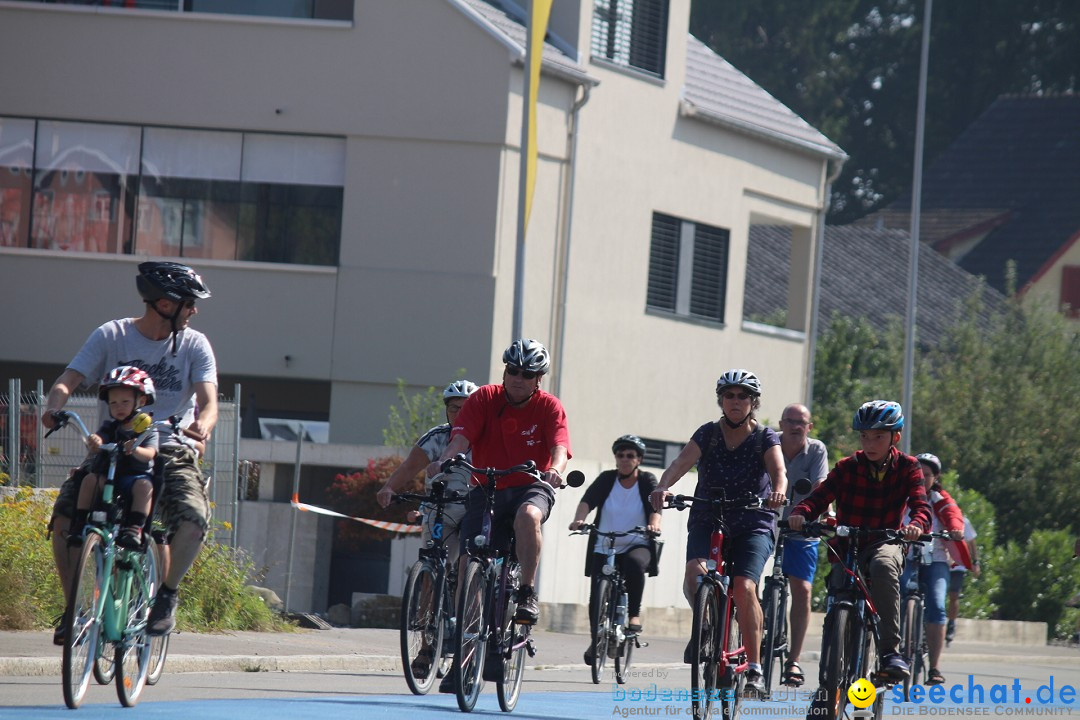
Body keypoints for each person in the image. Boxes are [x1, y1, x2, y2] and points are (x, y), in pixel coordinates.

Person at [44, 261, 216, 643]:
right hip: (112, 447)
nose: (195, 310)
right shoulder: (113, 335)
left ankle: (166, 597)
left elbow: (209, 401)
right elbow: (69, 379)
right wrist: (54, 406)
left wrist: (202, 424)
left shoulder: (195, 344)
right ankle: (75, 608)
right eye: (189, 303)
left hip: (167, 447)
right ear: (165, 305)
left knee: (192, 520)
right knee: (63, 520)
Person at [428, 339, 570, 693]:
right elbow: (461, 439)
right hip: (487, 485)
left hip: (531, 484)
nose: (518, 378)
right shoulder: (483, 399)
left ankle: (525, 592)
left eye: (527, 374)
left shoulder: (550, 407)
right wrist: (447, 458)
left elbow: (559, 447)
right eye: (513, 371)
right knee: (468, 564)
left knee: (527, 516)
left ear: (539, 379)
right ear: (504, 372)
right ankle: (465, 654)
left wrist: (555, 468)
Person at [650, 369, 787, 698]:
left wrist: (779, 492)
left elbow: (779, 471)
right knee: (694, 575)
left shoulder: (765, 437)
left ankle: (754, 669)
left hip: (753, 519)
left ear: (753, 402)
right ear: (721, 401)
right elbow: (682, 462)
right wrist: (663, 486)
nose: (735, 401)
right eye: (729, 395)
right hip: (708, 514)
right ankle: (708, 623)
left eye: (742, 396)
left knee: (743, 586)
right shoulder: (708, 434)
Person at [788, 400, 931, 681]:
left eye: (878, 436)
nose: (870, 442)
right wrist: (800, 513)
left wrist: (916, 525)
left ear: (895, 437)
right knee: (837, 604)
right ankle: (828, 688)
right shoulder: (847, 467)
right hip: (847, 545)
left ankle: (891, 652)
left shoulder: (909, 467)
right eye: (864, 435)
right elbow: (819, 498)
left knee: (883, 567)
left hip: (885, 541)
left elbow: (921, 507)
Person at [569, 434, 662, 665]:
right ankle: (596, 640)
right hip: (605, 543)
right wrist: (579, 520)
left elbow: (655, 506)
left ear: (638, 459)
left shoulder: (647, 480)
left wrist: (654, 524)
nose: (624, 459)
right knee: (596, 596)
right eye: (620, 455)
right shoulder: (607, 479)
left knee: (633, 564)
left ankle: (633, 614)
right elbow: (587, 501)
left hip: (636, 542)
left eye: (630, 456)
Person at [376, 379, 480, 564]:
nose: (459, 413)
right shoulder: (436, 437)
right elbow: (410, 466)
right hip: (440, 510)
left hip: (473, 509)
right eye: (454, 408)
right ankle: (428, 587)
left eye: (465, 408)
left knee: (468, 567)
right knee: (432, 563)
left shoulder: (487, 439)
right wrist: (389, 488)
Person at [68, 366, 159, 551]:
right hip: (108, 476)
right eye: (113, 403)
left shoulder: (148, 430)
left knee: (145, 486)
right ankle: (78, 524)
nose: (119, 407)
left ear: (140, 401)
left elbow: (151, 453)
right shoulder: (110, 427)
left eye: (125, 402)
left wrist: (135, 449)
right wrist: (95, 441)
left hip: (133, 478)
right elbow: (100, 439)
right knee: (90, 480)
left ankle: (135, 528)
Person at [901, 452, 968, 685]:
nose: (921, 478)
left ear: (935, 477)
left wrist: (956, 529)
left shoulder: (940, 499)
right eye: (917, 473)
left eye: (926, 475)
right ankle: (892, 649)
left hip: (936, 559)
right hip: (905, 556)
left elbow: (953, 516)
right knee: (895, 590)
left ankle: (934, 667)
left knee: (938, 606)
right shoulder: (902, 495)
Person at [777, 403, 828, 688]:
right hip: (766, 524)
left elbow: (822, 484)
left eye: (803, 423)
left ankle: (792, 659)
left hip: (802, 525)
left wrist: (809, 514)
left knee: (803, 589)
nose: (797, 426)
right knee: (741, 579)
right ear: (782, 424)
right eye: (791, 421)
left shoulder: (817, 450)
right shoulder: (768, 443)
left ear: (809, 427)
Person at [946, 514, 980, 645]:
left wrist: (975, 562)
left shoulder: (964, 521)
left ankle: (952, 624)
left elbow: (971, 542)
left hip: (957, 565)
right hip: (940, 562)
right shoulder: (938, 517)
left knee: (954, 595)